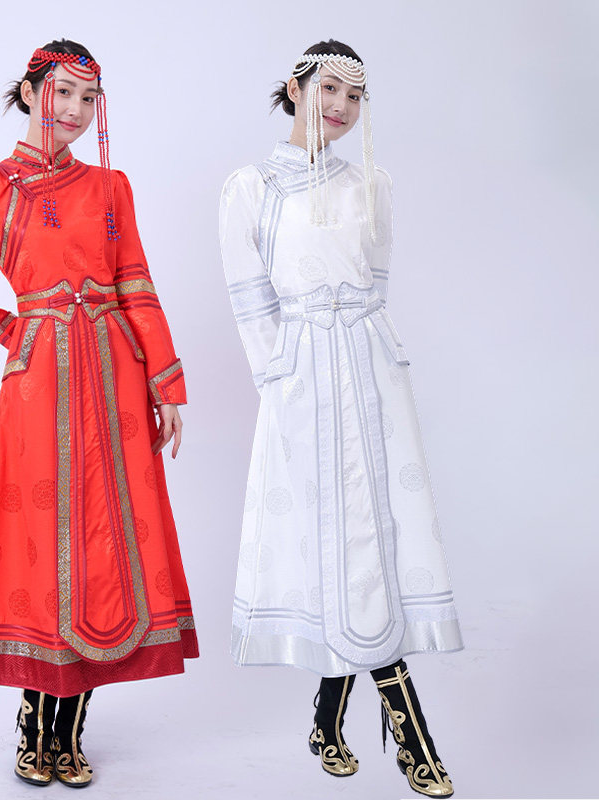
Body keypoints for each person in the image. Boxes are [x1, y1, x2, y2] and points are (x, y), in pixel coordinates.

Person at [0, 38, 198, 788]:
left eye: (89, 98)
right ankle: (32, 721)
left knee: (108, 538)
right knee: (45, 541)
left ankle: (70, 730)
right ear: (29, 91)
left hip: (115, 374)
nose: (76, 110)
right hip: (40, 377)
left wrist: (165, 384)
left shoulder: (110, 186)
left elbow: (136, 283)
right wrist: (11, 329)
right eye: (64, 93)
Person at [219, 39, 463, 798]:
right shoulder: (252, 186)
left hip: (368, 369)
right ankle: (409, 733)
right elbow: (249, 298)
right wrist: (280, 378)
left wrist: (367, 355)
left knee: (373, 539)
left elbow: (376, 283)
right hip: (300, 378)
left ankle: (331, 723)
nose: (341, 107)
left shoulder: (371, 185)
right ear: (296, 88)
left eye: (355, 97)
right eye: (329, 89)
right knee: (332, 540)